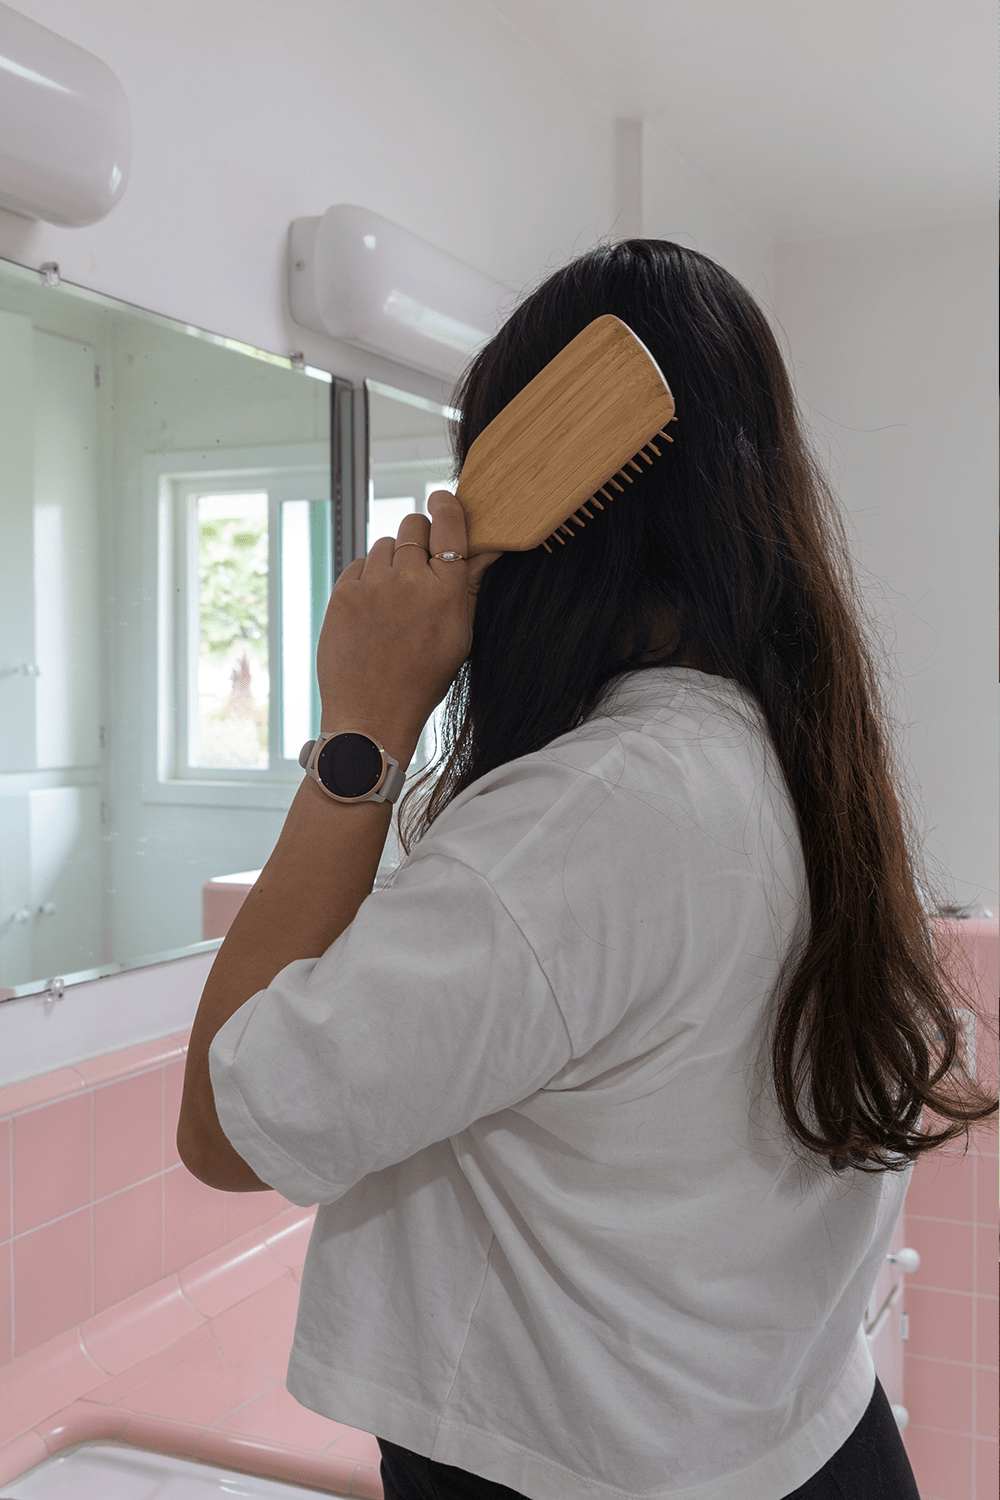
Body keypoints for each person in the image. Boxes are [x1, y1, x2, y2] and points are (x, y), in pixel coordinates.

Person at [177, 241, 995, 1500]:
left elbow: (230, 1130)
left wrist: (362, 734)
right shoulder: (800, 763)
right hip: (818, 1446)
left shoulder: (587, 819)